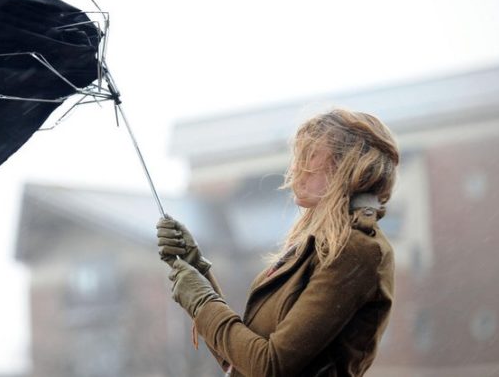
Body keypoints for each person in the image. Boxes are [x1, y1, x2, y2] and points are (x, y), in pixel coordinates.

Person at [156, 108, 399, 377]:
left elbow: (270, 367)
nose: (296, 169)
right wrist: (198, 270)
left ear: (347, 166)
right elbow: (241, 362)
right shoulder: (318, 246)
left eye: (309, 157)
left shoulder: (356, 251)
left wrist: (202, 302)